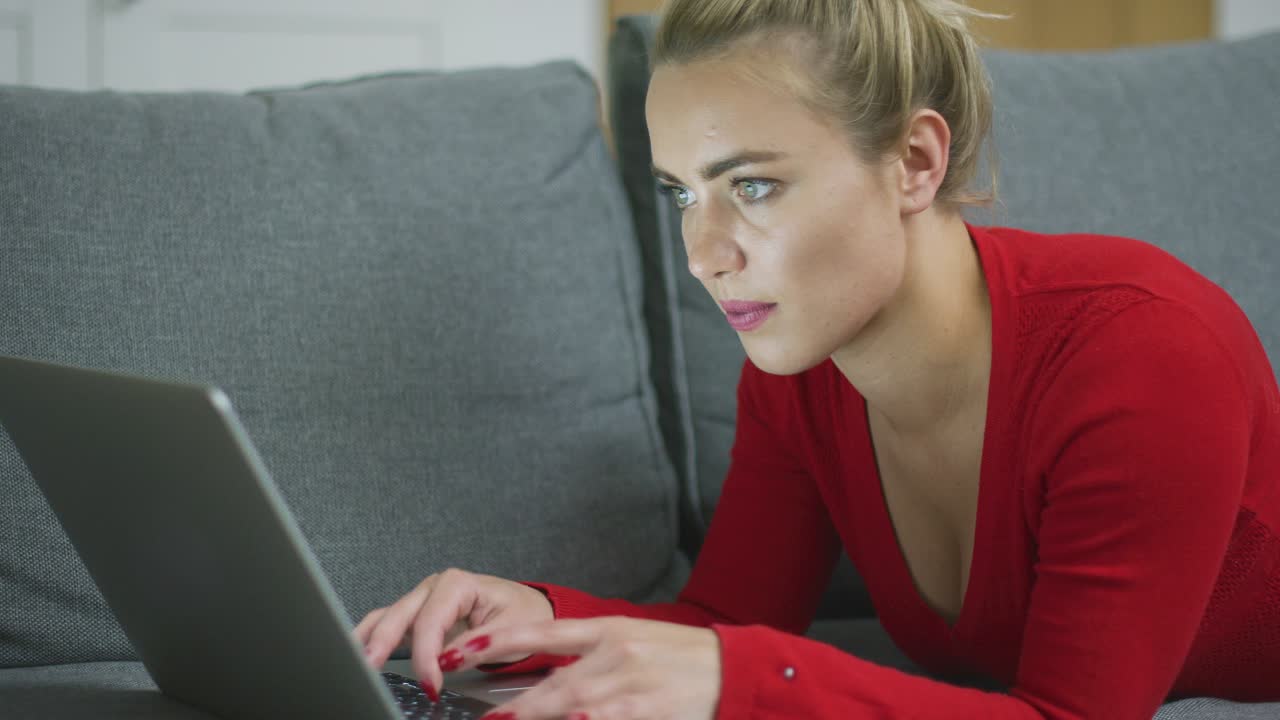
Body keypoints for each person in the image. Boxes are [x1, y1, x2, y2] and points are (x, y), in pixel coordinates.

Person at [355, 0, 1280, 717]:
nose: (703, 253)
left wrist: (744, 682)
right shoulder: (799, 379)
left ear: (915, 161)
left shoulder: (1139, 352)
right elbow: (727, 626)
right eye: (681, 193)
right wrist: (540, 618)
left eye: (752, 185)